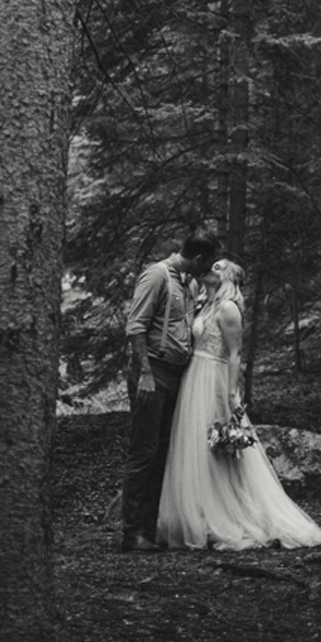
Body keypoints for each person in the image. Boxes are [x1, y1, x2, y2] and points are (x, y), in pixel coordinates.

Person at [157, 258, 321, 551]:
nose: (211, 268)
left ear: (227, 277)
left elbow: (235, 354)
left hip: (213, 380)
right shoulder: (204, 304)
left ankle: (228, 515)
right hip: (193, 379)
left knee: (217, 450)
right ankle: (197, 512)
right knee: (194, 447)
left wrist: (231, 394)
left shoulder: (228, 309)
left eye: (217, 267)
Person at [119, 227, 221, 552]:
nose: (207, 271)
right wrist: (145, 374)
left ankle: (149, 530)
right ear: (198, 258)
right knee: (144, 452)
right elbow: (136, 326)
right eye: (207, 265)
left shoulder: (187, 283)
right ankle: (132, 532)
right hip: (153, 370)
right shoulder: (157, 275)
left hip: (176, 375)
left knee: (163, 451)